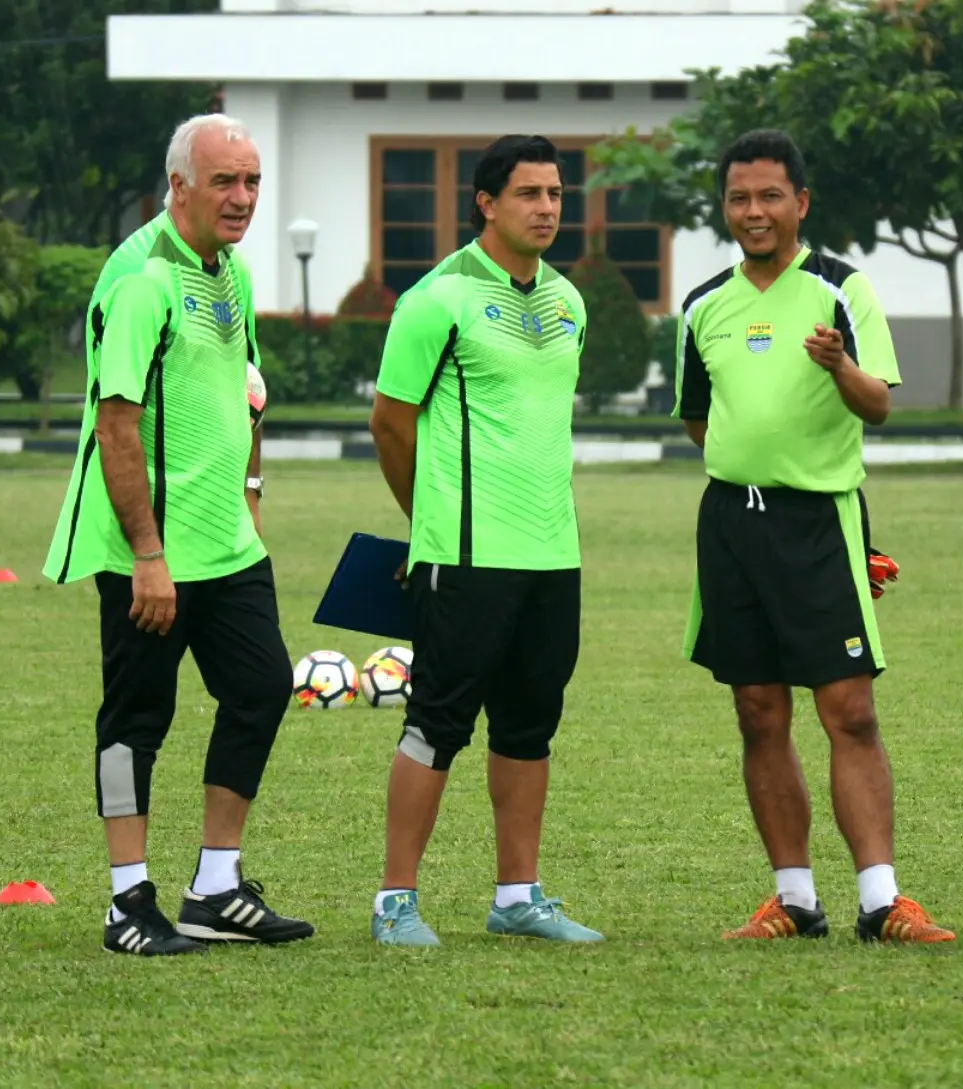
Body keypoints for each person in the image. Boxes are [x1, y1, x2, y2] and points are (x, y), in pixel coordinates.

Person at [674, 129, 955, 944]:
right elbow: (700, 420)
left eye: (769, 196)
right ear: (723, 207)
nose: (753, 212)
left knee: (849, 709)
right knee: (758, 711)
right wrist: (750, 461)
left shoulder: (841, 290)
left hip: (820, 521)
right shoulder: (702, 305)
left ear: (800, 202)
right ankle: (794, 899)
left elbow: (878, 404)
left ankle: (882, 901)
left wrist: (837, 366)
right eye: (738, 198)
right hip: (731, 523)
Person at [43, 113, 313, 956]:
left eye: (252, 181)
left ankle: (216, 888)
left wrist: (253, 498)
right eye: (224, 182)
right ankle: (128, 902)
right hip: (147, 549)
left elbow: (248, 393)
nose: (242, 198)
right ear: (179, 187)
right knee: (136, 718)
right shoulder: (143, 277)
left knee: (262, 686)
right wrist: (148, 556)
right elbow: (116, 424)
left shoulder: (226, 270)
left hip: (226, 542)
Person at [367, 134, 602, 947]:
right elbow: (390, 424)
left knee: (530, 726)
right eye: (529, 193)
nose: (545, 208)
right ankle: (396, 899)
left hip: (553, 555)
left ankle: (518, 896)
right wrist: (425, 522)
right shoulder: (437, 299)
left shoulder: (570, 302)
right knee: (435, 724)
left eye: (555, 194)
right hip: (463, 557)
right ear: (486, 202)